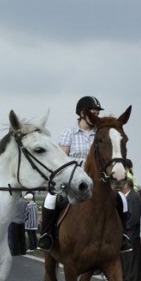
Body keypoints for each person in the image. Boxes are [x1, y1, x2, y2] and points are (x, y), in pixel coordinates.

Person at [38, 95, 102, 250]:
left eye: (98, 113)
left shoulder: (99, 133)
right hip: (74, 179)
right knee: (50, 199)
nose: (97, 116)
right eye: (94, 113)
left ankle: (122, 236)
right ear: (82, 113)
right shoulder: (69, 133)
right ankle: (46, 235)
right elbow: (62, 157)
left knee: (121, 199)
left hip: (95, 179)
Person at [119, 178, 141, 281]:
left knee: (133, 260)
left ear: (127, 184)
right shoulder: (125, 197)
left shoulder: (133, 197)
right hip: (127, 233)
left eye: (121, 184)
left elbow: (134, 217)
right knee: (127, 259)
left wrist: (124, 227)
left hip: (132, 233)